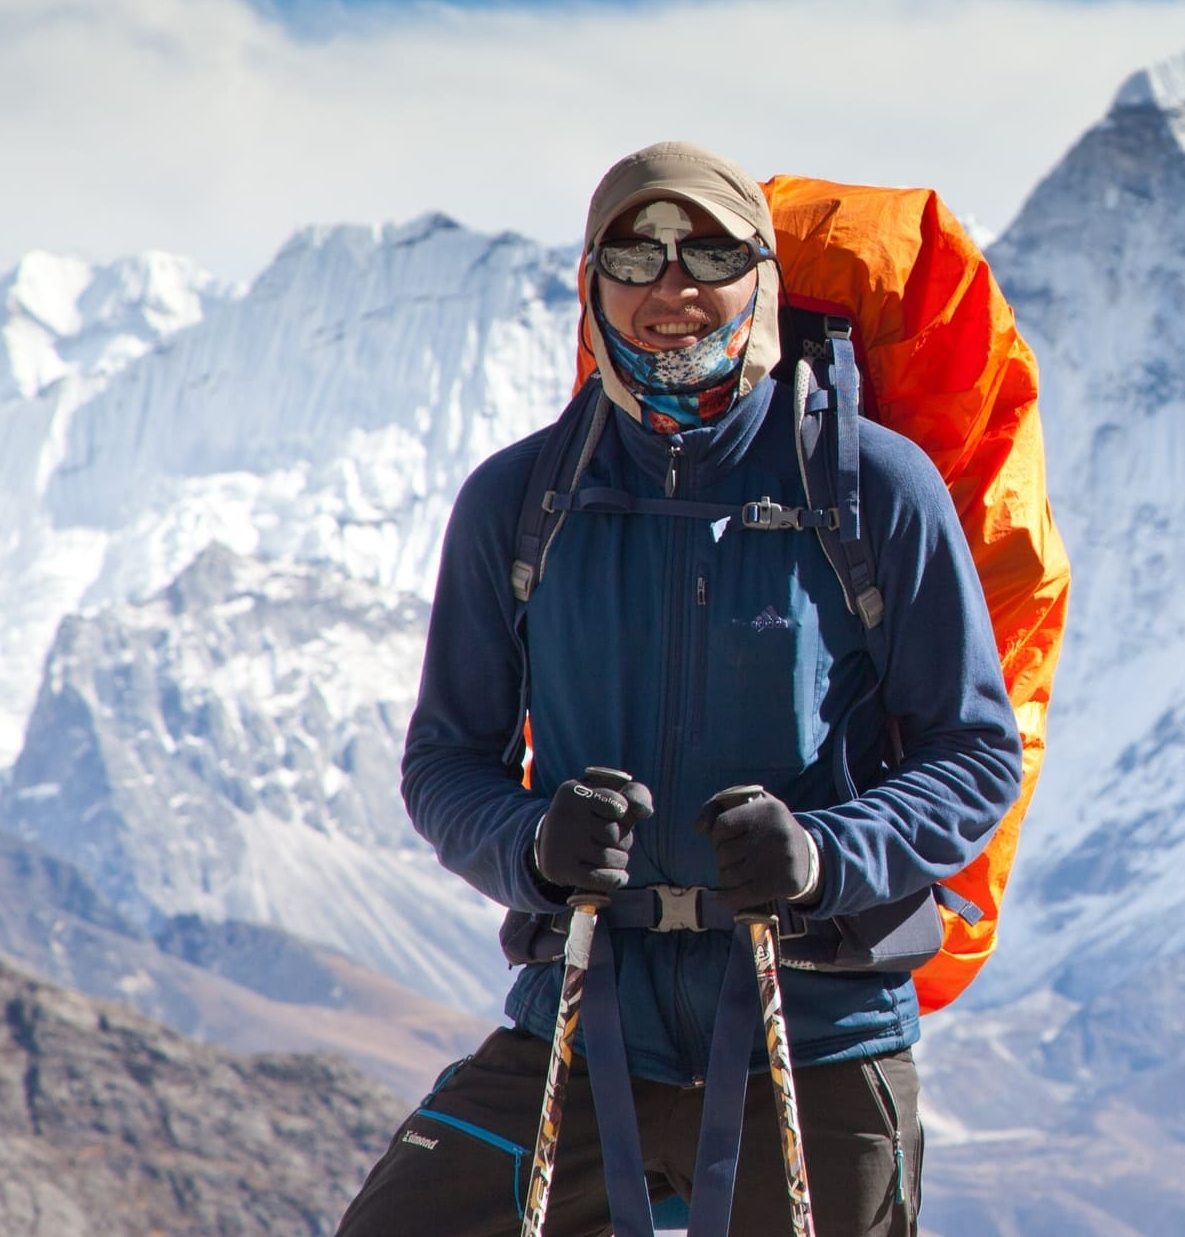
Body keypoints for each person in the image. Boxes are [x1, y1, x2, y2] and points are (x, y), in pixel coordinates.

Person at [337, 141, 1024, 1237]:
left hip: (815, 1034)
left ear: (761, 279)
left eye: (711, 251)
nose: (674, 287)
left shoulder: (874, 491)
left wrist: (823, 854)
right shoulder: (519, 503)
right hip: (579, 1013)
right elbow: (444, 764)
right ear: (592, 283)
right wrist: (531, 845)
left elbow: (975, 753)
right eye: (636, 254)